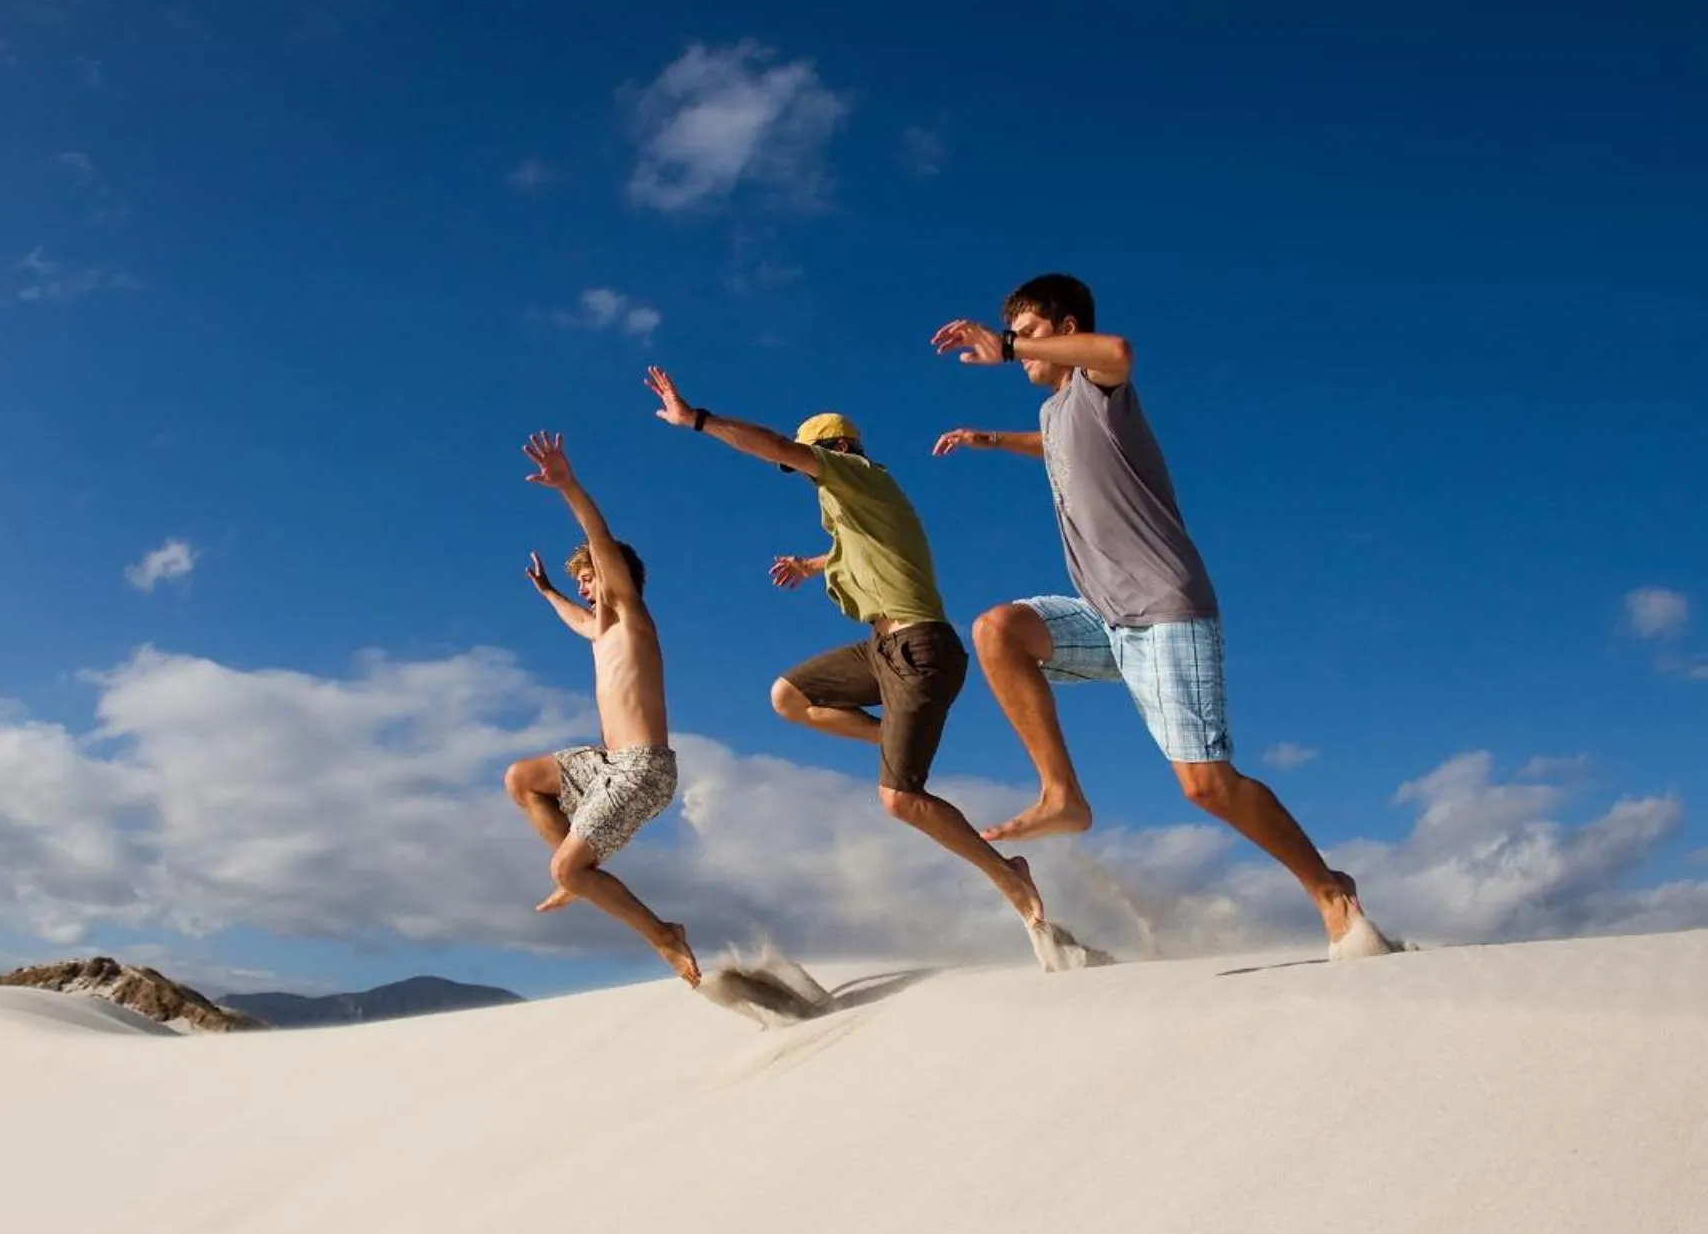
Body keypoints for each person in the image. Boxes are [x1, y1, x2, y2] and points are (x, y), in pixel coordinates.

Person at [931, 272, 1396, 957]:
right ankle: (1063, 794)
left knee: (1206, 786)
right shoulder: (1056, 412)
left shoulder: (1098, 386)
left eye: (1030, 335)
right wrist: (989, 440)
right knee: (997, 629)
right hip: (1107, 619)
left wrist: (1002, 344)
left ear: (1066, 331)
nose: (1019, 351)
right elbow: (1053, 446)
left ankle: (1331, 892)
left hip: (1164, 609)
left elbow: (1117, 349)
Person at [642, 365, 1083, 956]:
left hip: (921, 648)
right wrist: (812, 563)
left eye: (804, 459)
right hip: (881, 650)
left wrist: (696, 419)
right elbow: (854, 547)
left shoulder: (860, 476)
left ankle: (1011, 877)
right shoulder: (854, 513)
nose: (796, 471)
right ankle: (890, 740)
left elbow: (773, 444)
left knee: (900, 799)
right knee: (788, 697)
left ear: (838, 449)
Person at [502, 432, 701, 986]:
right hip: (608, 764)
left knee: (566, 865)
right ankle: (576, 870)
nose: (588, 589)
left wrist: (568, 485)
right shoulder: (602, 631)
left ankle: (664, 933)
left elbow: (599, 536)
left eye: (591, 578)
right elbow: (580, 622)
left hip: (643, 769)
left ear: (616, 576)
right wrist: (548, 593)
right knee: (522, 778)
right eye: (583, 583)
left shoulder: (633, 614)